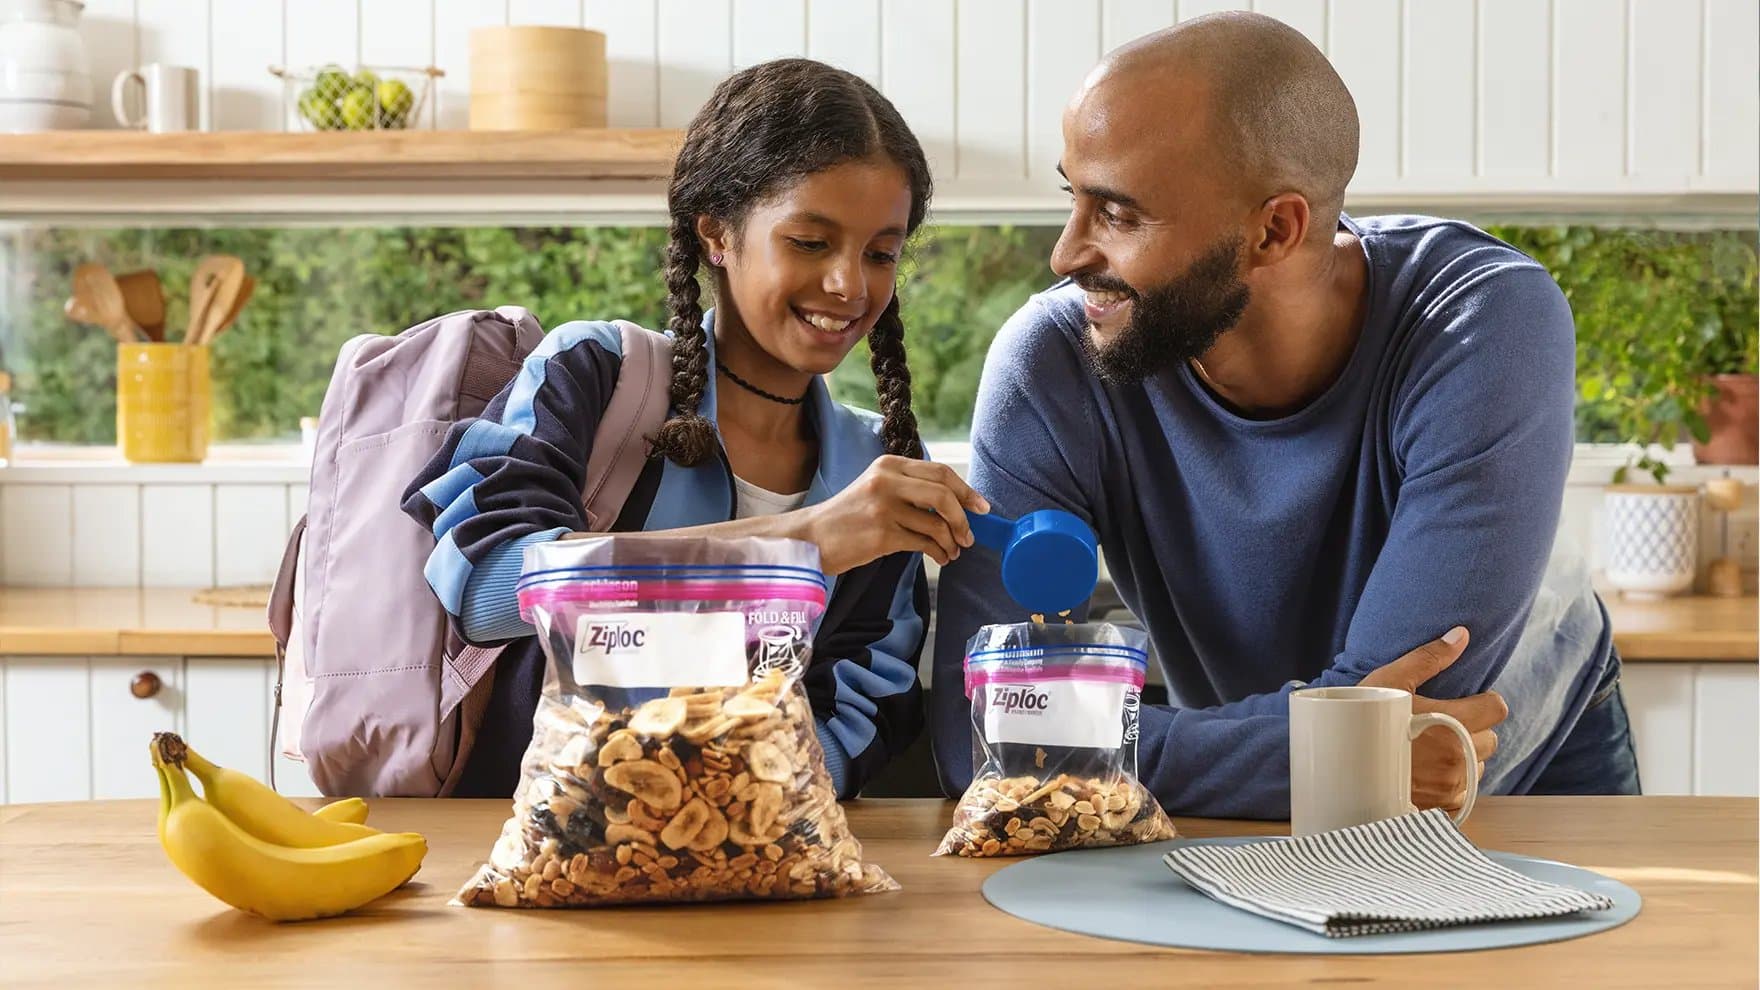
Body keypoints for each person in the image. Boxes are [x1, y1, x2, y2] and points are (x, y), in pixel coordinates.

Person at [932, 13, 1637, 819]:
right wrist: (1323, 754)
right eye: (1073, 198)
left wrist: (1103, 745)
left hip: (1518, 761)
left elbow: (1427, 712)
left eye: (1119, 214)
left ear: (1275, 229)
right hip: (1274, 783)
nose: (1064, 254)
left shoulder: (1483, 324)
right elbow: (983, 737)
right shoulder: (1054, 363)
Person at [405, 58, 987, 799]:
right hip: (544, 845)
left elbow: (864, 705)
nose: (851, 284)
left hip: (754, 849)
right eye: (810, 242)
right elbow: (486, 591)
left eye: (880, 252)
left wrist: (744, 803)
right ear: (716, 231)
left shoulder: (878, 463)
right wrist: (806, 542)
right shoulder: (597, 374)